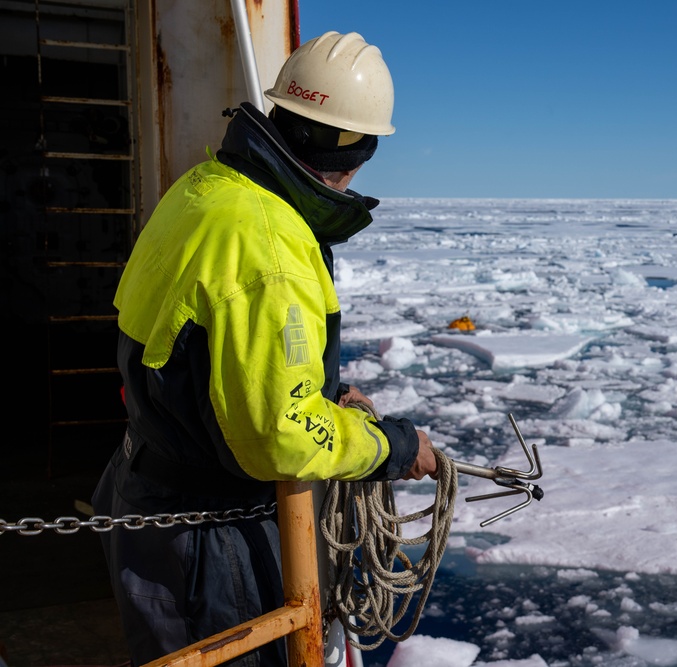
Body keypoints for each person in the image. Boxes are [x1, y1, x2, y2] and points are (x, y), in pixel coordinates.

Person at [92, 31, 437, 666]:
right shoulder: (271, 248)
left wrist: (325, 394)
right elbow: (281, 437)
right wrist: (392, 446)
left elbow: (210, 348)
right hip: (210, 537)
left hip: (151, 487)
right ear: (360, 151)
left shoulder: (208, 189)